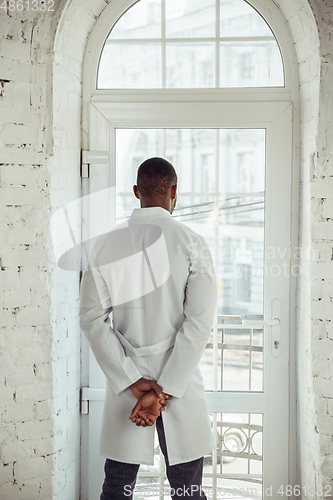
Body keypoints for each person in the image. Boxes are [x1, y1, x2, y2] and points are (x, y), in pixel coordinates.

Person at [79, 157, 217, 499]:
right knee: (188, 490)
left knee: (117, 489)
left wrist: (134, 382)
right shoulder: (192, 242)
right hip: (179, 386)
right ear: (174, 192)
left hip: (129, 390)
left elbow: (91, 318)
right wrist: (165, 390)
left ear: (137, 192)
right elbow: (198, 325)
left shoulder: (105, 245)